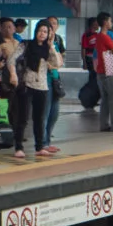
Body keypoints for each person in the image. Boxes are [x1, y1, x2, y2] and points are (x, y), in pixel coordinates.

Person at [19, 22, 63, 159]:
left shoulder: (49, 47)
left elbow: (57, 64)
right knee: (24, 117)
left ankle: (41, 145)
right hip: (27, 84)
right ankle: (19, 146)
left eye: (46, 31)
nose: (43, 34)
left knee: (43, 117)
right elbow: (12, 60)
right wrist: (14, 75)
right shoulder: (27, 45)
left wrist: (51, 47)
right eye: (41, 30)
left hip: (44, 85)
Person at [94, 12, 113, 132]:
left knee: (106, 98)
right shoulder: (105, 37)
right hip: (109, 66)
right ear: (105, 22)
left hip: (102, 68)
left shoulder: (98, 36)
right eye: (110, 21)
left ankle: (104, 124)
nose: (111, 23)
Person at [43, 15, 65, 152]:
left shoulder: (55, 43)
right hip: (45, 81)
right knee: (45, 112)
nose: (51, 29)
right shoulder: (40, 45)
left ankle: (47, 140)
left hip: (55, 80)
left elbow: (59, 62)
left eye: (54, 25)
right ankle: (43, 142)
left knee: (54, 113)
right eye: (48, 26)